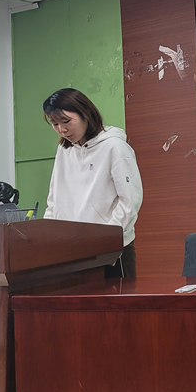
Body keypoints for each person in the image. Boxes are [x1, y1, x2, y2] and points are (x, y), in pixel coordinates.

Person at [42, 88, 143, 278]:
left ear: (85, 114)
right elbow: (54, 200)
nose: (62, 129)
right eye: (55, 124)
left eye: (66, 121)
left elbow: (129, 201)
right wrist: (48, 239)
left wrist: (108, 244)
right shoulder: (64, 150)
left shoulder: (114, 147)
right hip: (71, 251)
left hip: (110, 252)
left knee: (114, 298)